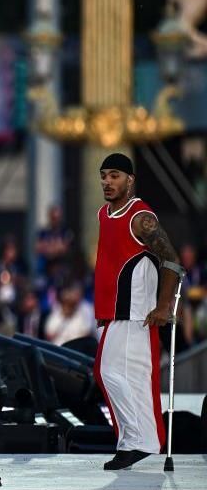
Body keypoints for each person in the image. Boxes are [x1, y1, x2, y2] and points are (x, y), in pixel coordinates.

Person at [93, 153, 182, 470]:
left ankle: (140, 440)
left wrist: (163, 305)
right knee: (128, 378)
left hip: (134, 310)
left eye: (114, 175)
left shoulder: (140, 217)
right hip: (111, 310)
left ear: (130, 179)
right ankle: (136, 442)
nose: (107, 181)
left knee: (107, 373)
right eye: (104, 175)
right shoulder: (105, 213)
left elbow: (172, 259)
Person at [43, 281, 96, 347]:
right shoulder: (56, 313)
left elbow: (86, 333)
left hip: (74, 350)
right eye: (65, 303)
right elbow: (48, 334)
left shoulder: (81, 315)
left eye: (70, 304)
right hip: (57, 349)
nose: (67, 307)